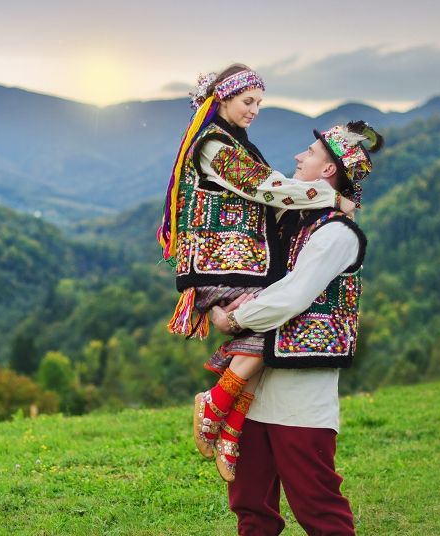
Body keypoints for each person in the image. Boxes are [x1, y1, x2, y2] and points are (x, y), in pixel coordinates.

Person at [156, 63, 356, 481]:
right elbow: (265, 187)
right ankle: (218, 405)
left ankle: (230, 426)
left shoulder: (231, 141)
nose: (255, 110)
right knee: (267, 328)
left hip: (239, 262)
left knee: (268, 331)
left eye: (260, 103)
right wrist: (329, 196)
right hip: (220, 264)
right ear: (223, 99)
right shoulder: (215, 146)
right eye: (248, 101)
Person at [210, 120, 384, 535]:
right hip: (257, 386)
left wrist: (233, 319)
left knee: (317, 504)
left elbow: (292, 295)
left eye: (309, 154)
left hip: (301, 394)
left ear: (328, 171)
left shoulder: (337, 235)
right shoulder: (294, 224)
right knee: (251, 502)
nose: (298, 157)